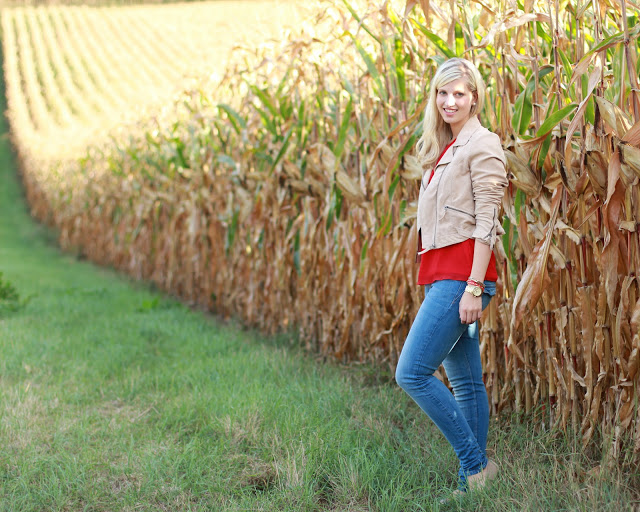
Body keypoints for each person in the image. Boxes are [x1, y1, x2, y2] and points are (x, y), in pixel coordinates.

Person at [395, 57, 508, 498]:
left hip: (463, 279)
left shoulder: (483, 144)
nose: (449, 101)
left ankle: (477, 465)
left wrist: (474, 287)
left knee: (412, 373)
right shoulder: (446, 147)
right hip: (444, 275)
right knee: (464, 381)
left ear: (474, 98)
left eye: (459, 93)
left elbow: (487, 220)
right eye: (443, 93)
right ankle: (471, 488)